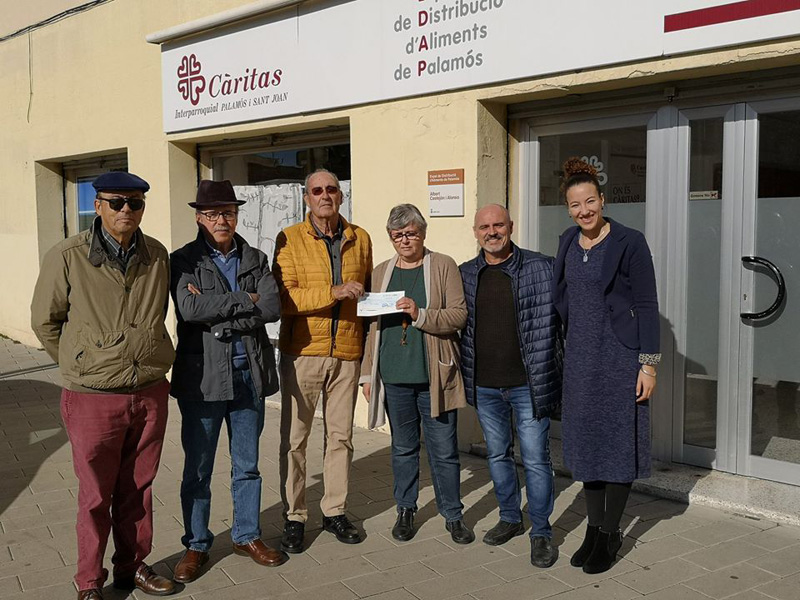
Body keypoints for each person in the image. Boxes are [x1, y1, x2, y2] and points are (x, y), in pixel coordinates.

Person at [30, 172, 176, 600]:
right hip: (93, 396)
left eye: (135, 203)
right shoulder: (68, 256)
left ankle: (132, 568)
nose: (126, 211)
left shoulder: (157, 255)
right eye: (117, 203)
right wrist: (81, 363)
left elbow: (158, 311)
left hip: (148, 389)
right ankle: (89, 581)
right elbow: (45, 320)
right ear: (97, 206)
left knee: (139, 489)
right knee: (95, 494)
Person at [169, 180, 286, 583]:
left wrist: (222, 308)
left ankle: (246, 535)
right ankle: (196, 544)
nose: (223, 220)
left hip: (248, 373)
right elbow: (189, 308)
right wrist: (244, 298)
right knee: (198, 468)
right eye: (214, 213)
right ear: (199, 217)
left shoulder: (255, 257)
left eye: (229, 212)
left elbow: (271, 306)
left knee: (248, 465)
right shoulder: (183, 260)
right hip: (202, 378)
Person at [553, 157, 659, 574]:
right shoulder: (566, 239)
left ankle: (612, 532)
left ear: (603, 199)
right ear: (568, 208)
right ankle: (593, 528)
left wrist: (648, 366)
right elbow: (561, 296)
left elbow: (648, 306)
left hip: (619, 357)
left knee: (617, 446)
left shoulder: (630, 241)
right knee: (587, 446)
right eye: (576, 205)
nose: (584, 211)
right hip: (580, 359)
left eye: (590, 202)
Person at [360, 204, 473, 544]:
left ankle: (453, 515)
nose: (405, 240)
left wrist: (420, 313)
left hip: (434, 377)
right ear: (391, 238)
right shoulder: (381, 271)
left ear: (423, 233)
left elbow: (458, 315)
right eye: (398, 235)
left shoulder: (442, 265)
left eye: (411, 233)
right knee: (403, 448)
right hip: (394, 377)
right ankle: (406, 510)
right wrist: (368, 374)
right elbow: (372, 329)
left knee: (444, 450)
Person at [273, 169, 372, 552]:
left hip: (347, 352)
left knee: (341, 439)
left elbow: (367, 298)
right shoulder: (290, 238)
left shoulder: (359, 237)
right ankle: (295, 516)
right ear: (306, 198)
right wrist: (335, 291)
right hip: (304, 353)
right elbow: (286, 298)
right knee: (295, 441)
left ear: (341, 196)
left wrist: (366, 358)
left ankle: (334, 510)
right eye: (317, 191)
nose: (325, 195)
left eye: (331, 189)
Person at [460, 204, 561, 568]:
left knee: (535, 459)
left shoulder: (541, 267)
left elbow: (565, 322)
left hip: (527, 385)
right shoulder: (466, 274)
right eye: (484, 226)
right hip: (485, 385)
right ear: (475, 232)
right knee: (498, 455)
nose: (492, 231)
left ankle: (542, 532)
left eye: (498, 225)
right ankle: (509, 518)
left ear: (511, 227)